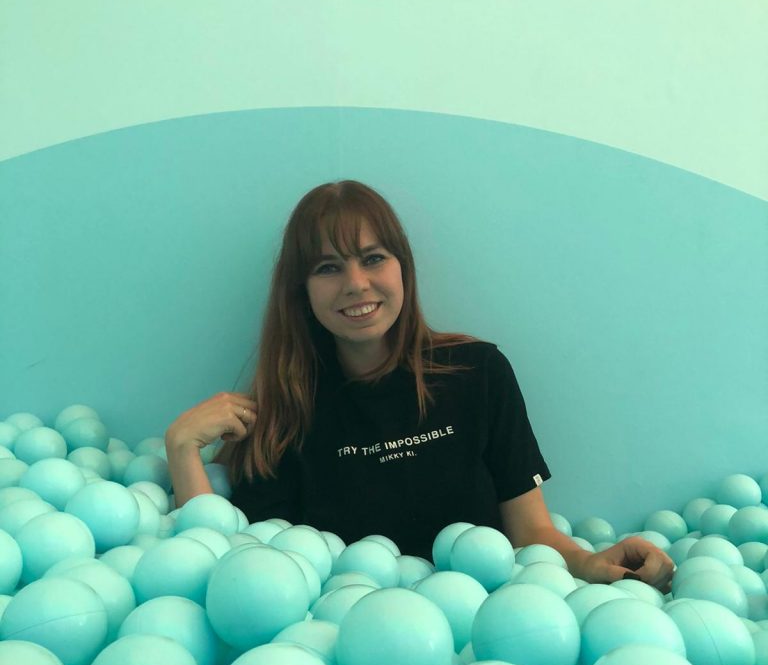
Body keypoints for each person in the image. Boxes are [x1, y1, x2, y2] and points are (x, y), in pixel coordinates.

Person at [166, 180, 674, 590]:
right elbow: (245, 572)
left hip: (490, 629)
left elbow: (531, 532)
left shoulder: (479, 373)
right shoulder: (284, 413)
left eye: (373, 258)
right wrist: (182, 450)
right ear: (301, 292)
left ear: (403, 268)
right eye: (328, 267)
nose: (356, 284)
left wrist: (592, 564)